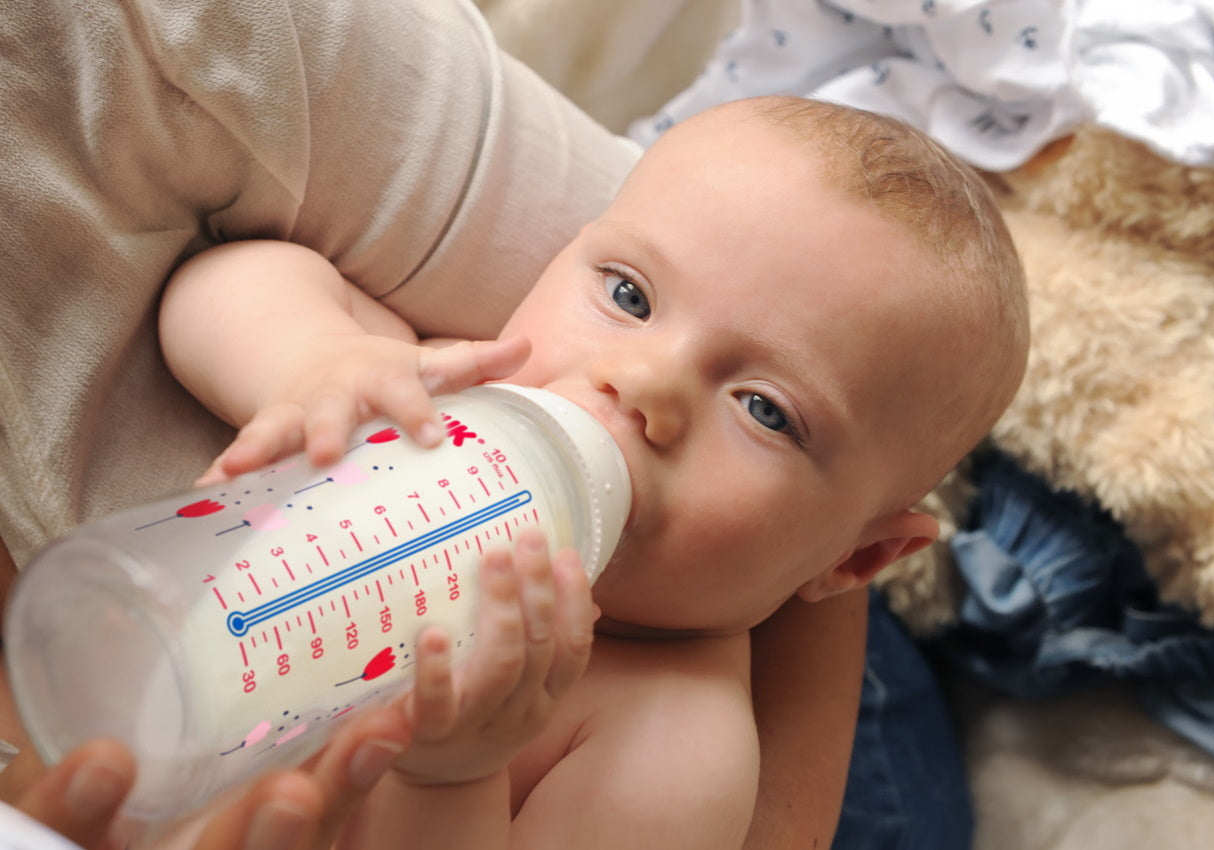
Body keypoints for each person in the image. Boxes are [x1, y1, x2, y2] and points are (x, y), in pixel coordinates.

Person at [154, 95, 1028, 848]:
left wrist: (450, 779)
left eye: (765, 409)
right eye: (629, 296)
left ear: (855, 561)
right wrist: (310, 360)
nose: (643, 383)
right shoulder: (433, 402)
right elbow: (220, 282)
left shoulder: (673, 750)